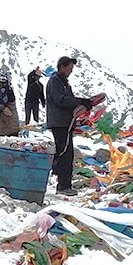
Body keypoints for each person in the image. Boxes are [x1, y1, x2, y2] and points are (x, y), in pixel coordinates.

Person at [45, 56, 95, 195]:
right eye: (70, 68)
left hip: (66, 123)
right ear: (63, 66)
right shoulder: (55, 82)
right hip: (59, 123)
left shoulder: (64, 83)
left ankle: (65, 184)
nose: (71, 71)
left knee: (68, 154)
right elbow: (60, 100)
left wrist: (82, 104)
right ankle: (62, 186)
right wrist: (80, 101)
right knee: (64, 154)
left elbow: (69, 100)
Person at [0, 72, 21, 136]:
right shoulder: (6, 89)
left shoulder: (4, 91)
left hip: (9, 123)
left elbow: (0, 105)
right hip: (10, 122)